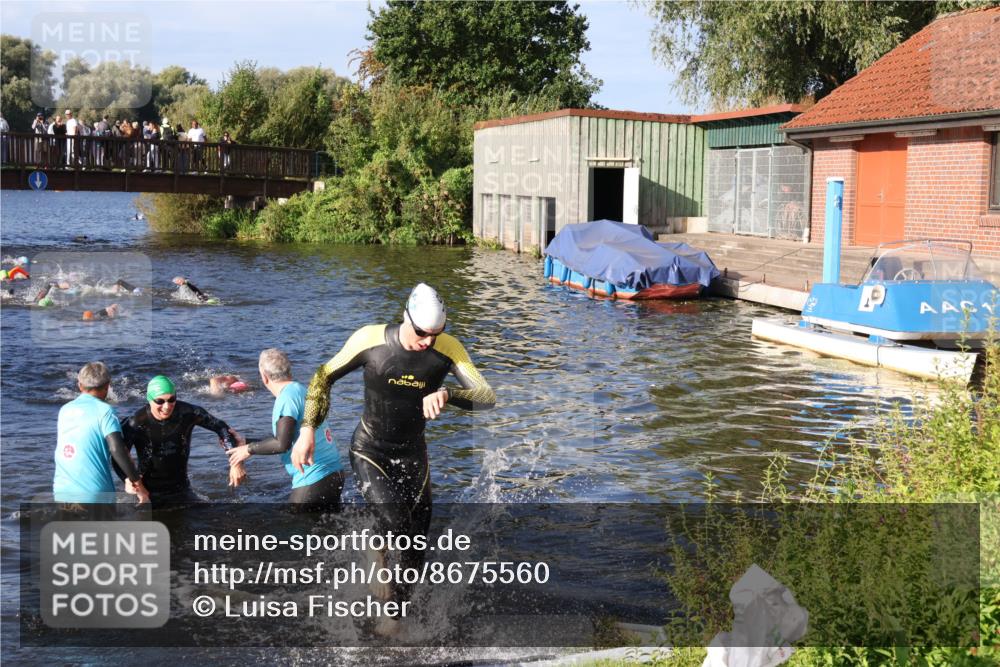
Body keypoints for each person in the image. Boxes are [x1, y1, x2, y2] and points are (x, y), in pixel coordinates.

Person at [291, 283, 495, 630]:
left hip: (413, 452)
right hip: (370, 449)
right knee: (396, 522)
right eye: (420, 332)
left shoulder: (448, 348)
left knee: (416, 545)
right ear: (406, 317)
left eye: (435, 333)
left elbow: (487, 396)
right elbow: (322, 376)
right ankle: (376, 548)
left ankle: (393, 616)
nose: (427, 341)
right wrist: (308, 428)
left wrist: (449, 393)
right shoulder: (370, 340)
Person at [227, 349, 345, 510]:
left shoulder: (286, 398)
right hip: (334, 473)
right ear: (289, 371)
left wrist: (248, 450)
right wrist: (246, 442)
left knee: (294, 533)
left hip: (313, 480)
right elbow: (288, 438)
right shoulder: (300, 390)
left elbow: (282, 444)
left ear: (264, 376)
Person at [116, 375, 247, 504]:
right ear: (149, 400)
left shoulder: (187, 412)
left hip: (182, 490)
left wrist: (236, 463)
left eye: (171, 399)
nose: (167, 406)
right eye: (160, 401)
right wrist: (127, 479)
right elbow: (117, 454)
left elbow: (221, 427)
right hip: (148, 492)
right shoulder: (135, 422)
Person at [53, 362, 150, 504]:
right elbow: (117, 449)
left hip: (62, 491)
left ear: (79, 385)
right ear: (107, 386)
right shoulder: (105, 411)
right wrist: (139, 485)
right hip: (95, 494)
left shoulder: (65, 410)